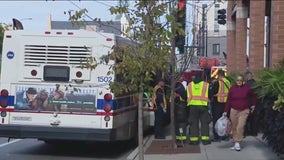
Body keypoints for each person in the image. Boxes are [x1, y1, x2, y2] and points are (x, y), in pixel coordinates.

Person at [223, 75, 257, 151]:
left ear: (243, 81)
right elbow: (229, 100)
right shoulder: (232, 89)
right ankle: (235, 142)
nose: (239, 82)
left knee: (240, 126)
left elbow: (254, 96)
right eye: (237, 80)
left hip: (244, 110)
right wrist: (225, 111)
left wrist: (253, 105)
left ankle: (238, 142)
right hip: (234, 110)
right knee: (234, 127)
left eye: (240, 80)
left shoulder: (247, 89)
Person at [187, 71, 211, 145]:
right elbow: (209, 94)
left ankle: (194, 140)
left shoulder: (189, 85)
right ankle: (205, 140)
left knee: (193, 123)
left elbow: (186, 95)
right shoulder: (206, 85)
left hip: (193, 106)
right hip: (203, 106)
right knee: (205, 123)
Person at [210, 70, 231, 142]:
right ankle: (225, 135)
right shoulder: (228, 82)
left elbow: (212, 92)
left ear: (219, 75)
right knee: (225, 120)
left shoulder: (217, 83)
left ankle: (217, 136)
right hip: (226, 104)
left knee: (216, 120)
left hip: (217, 104)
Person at [174, 75, 188, 147]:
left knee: (179, 123)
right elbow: (184, 95)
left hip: (179, 107)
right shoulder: (179, 86)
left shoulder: (177, 85)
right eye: (181, 77)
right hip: (181, 107)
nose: (183, 78)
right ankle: (181, 138)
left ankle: (179, 138)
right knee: (181, 123)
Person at [244, 71, 258, 136]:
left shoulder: (246, 85)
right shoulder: (256, 83)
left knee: (246, 118)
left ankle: (246, 132)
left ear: (247, 77)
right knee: (254, 119)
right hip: (255, 103)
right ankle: (254, 132)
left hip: (247, 103)